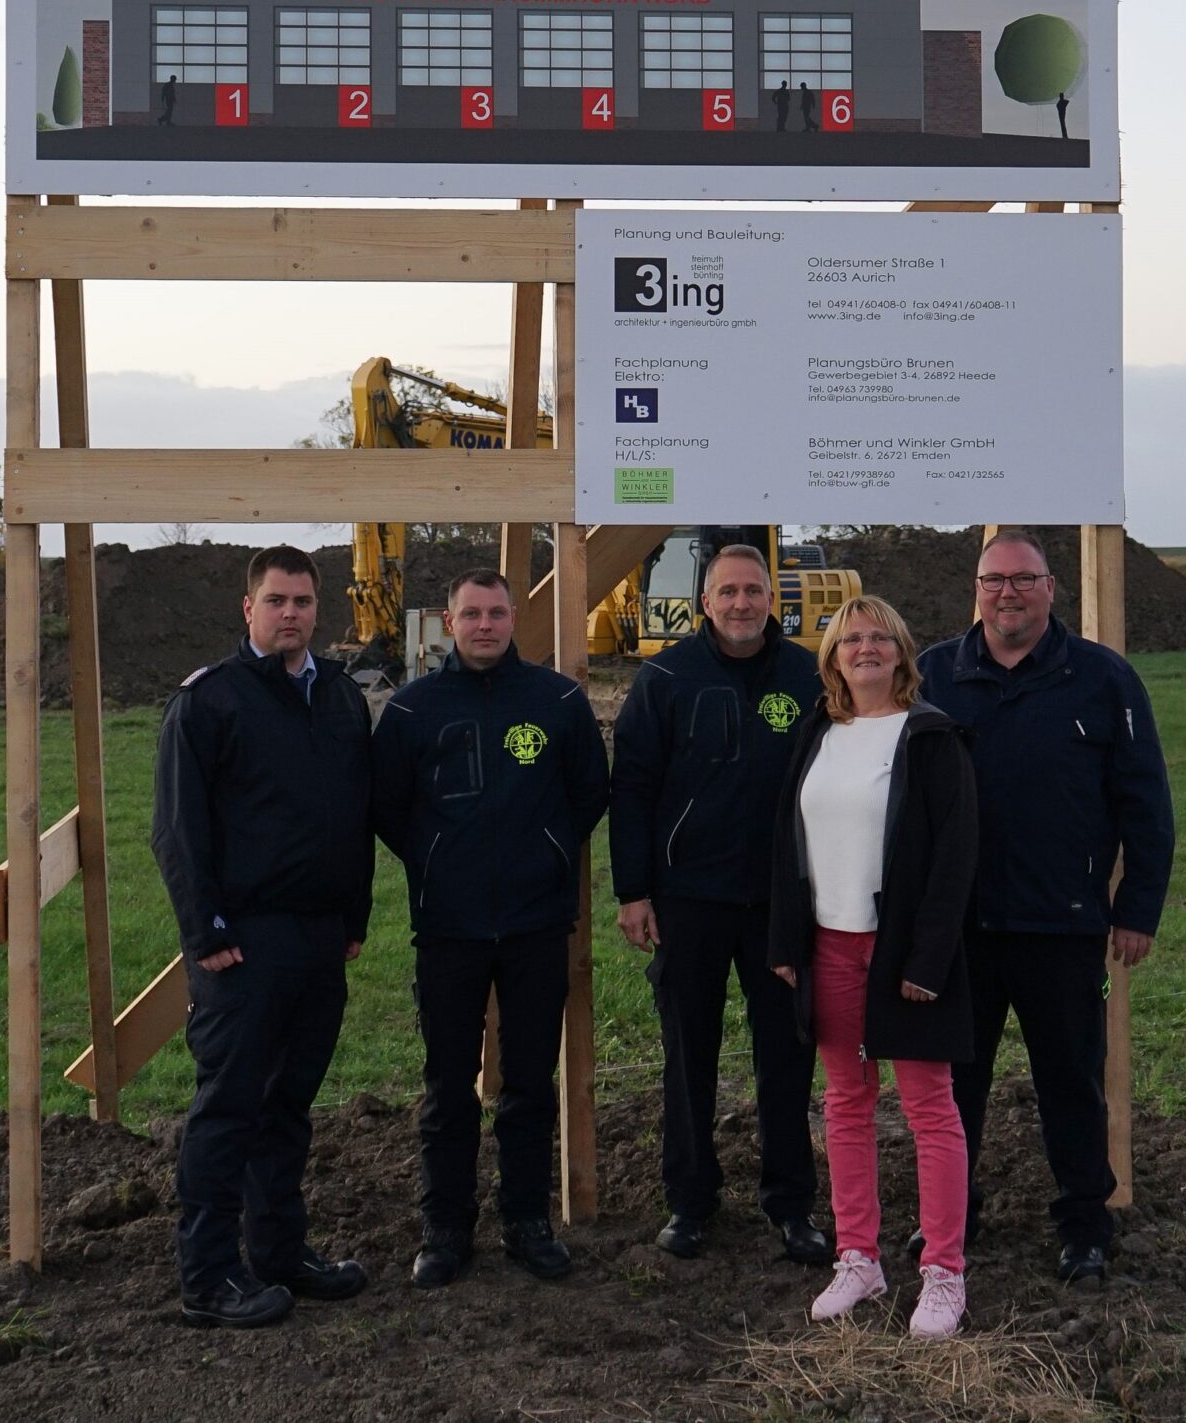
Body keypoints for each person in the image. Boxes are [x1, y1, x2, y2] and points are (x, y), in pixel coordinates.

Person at [915, 529, 1175, 1285]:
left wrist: (1138, 906)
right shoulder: (934, 673)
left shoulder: (1102, 680)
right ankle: (950, 1217)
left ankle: (1084, 1223)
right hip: (959, 932)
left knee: (1071, 1080)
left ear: (1051, 588)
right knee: (953, 1086)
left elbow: (1146, 802)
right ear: (977, 588)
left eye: (1023, 580)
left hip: (1063, 925)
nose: (1008, 593)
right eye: (994, 580)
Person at [150, 544, 376, 1328]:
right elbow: (177, 831)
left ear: (321, 609)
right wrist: (204, 930)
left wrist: (354, 916)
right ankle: (208, 1274)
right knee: (230, 1107)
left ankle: (279, 1253)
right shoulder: (209, 703)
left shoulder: (341, 697)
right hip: (242, 943)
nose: (291, 614)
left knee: (289, 1105)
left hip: (319, 940)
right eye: (276, 600)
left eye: (304, 601)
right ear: (247, 608)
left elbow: (354, 813)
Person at [370, 569, 608, 1288]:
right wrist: (440, 860)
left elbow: (590, 792)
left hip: (538, 923)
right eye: (470, 613)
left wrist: (549, 855)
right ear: (448, 620)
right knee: (449, 1084)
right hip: (448, 927)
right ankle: (445, 1226)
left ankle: (527, 1219)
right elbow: (388, 807)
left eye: (496, 612)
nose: (483, 625)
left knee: (530, 1081)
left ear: (513, 618)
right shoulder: (413, 710)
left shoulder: (558, 700)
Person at [608, 540, 831, 1266]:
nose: (741, 603)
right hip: (688, 900)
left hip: (782, 903)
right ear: (705, 601)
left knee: (787, 1056)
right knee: (687, 1055)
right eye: (727, 591)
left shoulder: (807, 675)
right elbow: (633, 786)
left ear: (774, 599)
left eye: (753, 591)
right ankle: (690, 1200)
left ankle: (791, 1203)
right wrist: (633, 890)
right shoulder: (665, 675)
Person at [769, 595, 978, 1337]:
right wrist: (786, 944)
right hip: (828, 943)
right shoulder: (819, 731)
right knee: (845, 1104)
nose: (865, 648)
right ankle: (859, 1255)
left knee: (929, 1107)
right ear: (831, 656)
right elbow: (787, 843)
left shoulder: (930, 737)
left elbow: (956, 858)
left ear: (900, 651)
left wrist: (928, 957)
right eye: (850, 638)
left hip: (901, 951)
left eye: (878, 637)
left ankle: (943, 1271)